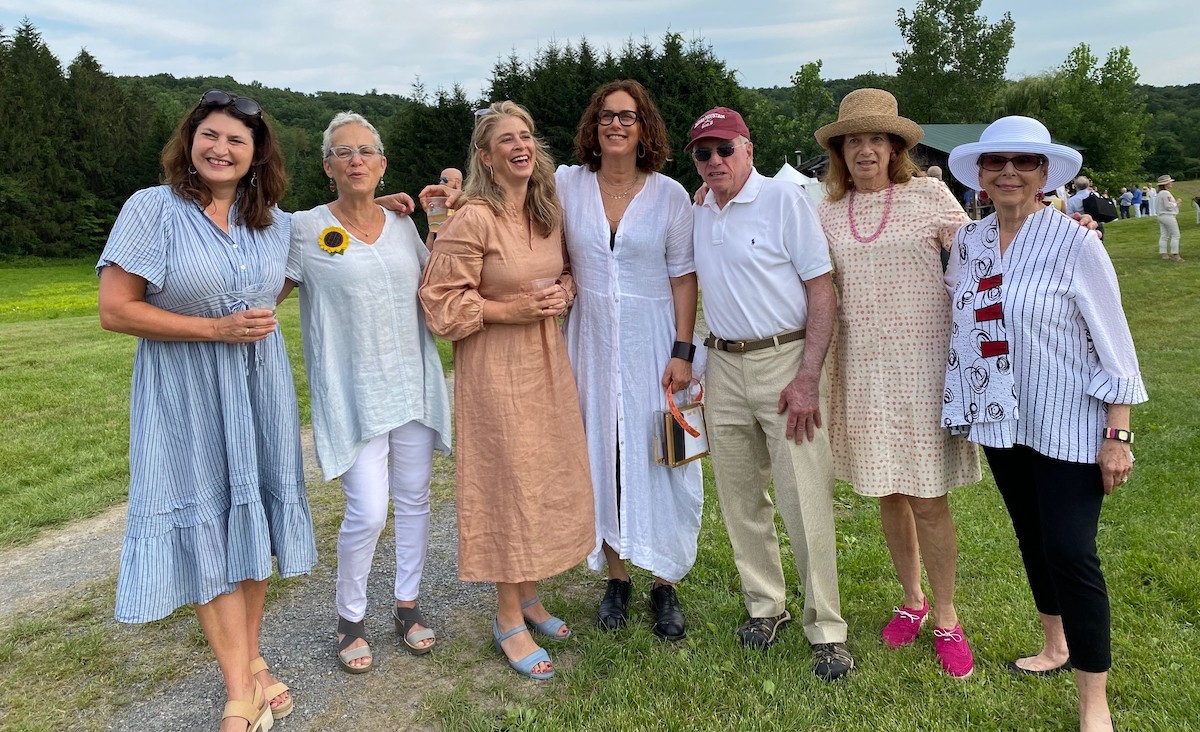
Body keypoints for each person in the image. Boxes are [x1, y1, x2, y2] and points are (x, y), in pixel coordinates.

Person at [97, 89, 316, 732]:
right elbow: (115, 310)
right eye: (210, 136)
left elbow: (310, 257)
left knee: (250, 519)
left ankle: (252, 658)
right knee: (205, 525)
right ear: (189, 143)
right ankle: (238, 687)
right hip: (182, 392)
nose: (220, 149)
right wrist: (215, 328)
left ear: (257, 155)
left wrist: (381, 203)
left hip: (258, 389)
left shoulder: (273, 223)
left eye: (236, 141)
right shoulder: (153, 209)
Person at [945, 115, 1147, 732]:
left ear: (1044, 174)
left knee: (1070, 550)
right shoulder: (969, 242)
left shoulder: (1077, 242)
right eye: (995, 161)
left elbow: (1114, 342)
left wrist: (1118, 433)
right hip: (1003, 421)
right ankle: (1054, 645)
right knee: (1033, 537)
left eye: (1024, 162)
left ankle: (1094, 702)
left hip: (1069, 424)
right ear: (979, 173)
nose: (1008, 171)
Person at [418, 100, 594, 680]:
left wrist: (561, 293)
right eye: (506, 141)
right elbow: (440, 303)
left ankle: (530, 595)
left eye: (527, 136)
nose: (521, 146)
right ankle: (505, 614)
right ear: (487, 158)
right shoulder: (473, 218)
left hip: (546, 363)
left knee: (539, 477)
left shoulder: (546, 210)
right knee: (507, 483)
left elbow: (566, 272)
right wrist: (509, 308)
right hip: (495, 368)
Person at [813, 88, 981, 678]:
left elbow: (983, 252)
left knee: (929, 498)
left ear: (895, 146)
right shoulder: (825, 210)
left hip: (925, 367)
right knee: (888, 491)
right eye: (853, 140)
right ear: (840, 149)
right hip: (862, 368)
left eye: (876, 139)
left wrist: (1050, 227)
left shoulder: (929, 195)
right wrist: (709, 199)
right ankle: (910, 600)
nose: (865, 150)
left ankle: (947, 616)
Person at [280, 112, 452, 673]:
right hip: (351, 394)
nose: (356, 159)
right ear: (327, 166)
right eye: (343, 151)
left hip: (412, 385)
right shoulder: (302, 230)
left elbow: (437, 281)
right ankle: (350, 617)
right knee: (369, 512)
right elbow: (266, 291)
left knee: (416, 501)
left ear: (381, 164)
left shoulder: (403, 225)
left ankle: (407, 605)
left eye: (366, 151)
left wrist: (436, 213)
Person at [687, 106, 852, 681]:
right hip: (723, 364)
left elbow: (821, 290)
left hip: (786, 360)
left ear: (748, 148)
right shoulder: (698, 210)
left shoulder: (786, 201)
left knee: (804, 499)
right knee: (739, 499)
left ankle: (826, 627)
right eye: (703, 154)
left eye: (723, 149)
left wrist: (808, 377)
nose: (714, 163)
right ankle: (766, 606)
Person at [556, 79, 701, 640]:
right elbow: (506, 185)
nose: (616, 125)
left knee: (665, 458)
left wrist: (682, 351)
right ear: (594, 127)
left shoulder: (670, 195)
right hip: (589, 341)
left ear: (645, 129)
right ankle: (616, 575)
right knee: (603, 455)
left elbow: (683, 277)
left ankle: (665, 582)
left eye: (628, 117)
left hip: (655, 344)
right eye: (606, 117)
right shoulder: (569, 184)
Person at [1154, 174, 1182, 261]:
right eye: (1170, 182)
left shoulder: (1159, 194)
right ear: (1166, 184)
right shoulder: (1166, 193)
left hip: (1161, 216)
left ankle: (1164, 254)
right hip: (1168, 215)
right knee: (1176, 235)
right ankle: (1175, 254)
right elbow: (1168, 206)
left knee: (1164, 235)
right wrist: (1176, 203)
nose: (1171, 184)